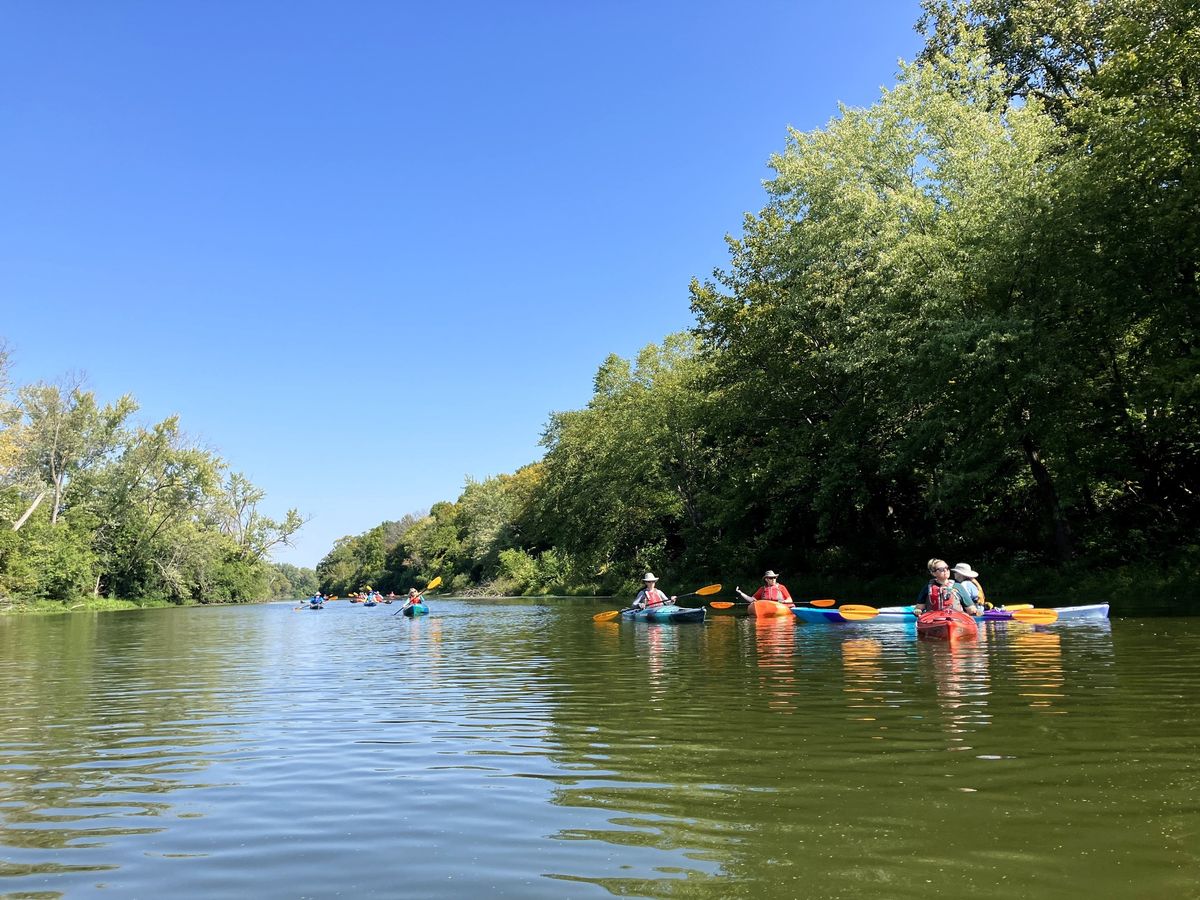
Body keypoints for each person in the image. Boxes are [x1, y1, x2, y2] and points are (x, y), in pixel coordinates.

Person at [913, 558, 978, 615]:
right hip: (933, 619)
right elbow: (919, 607)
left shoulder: (958, 587)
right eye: (941, 569)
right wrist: (918, 611)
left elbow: (971, 609)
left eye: (947, 568)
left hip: (955, 618)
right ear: (933, 573)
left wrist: (974, 611)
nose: (945, 570)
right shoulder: (927, 588)